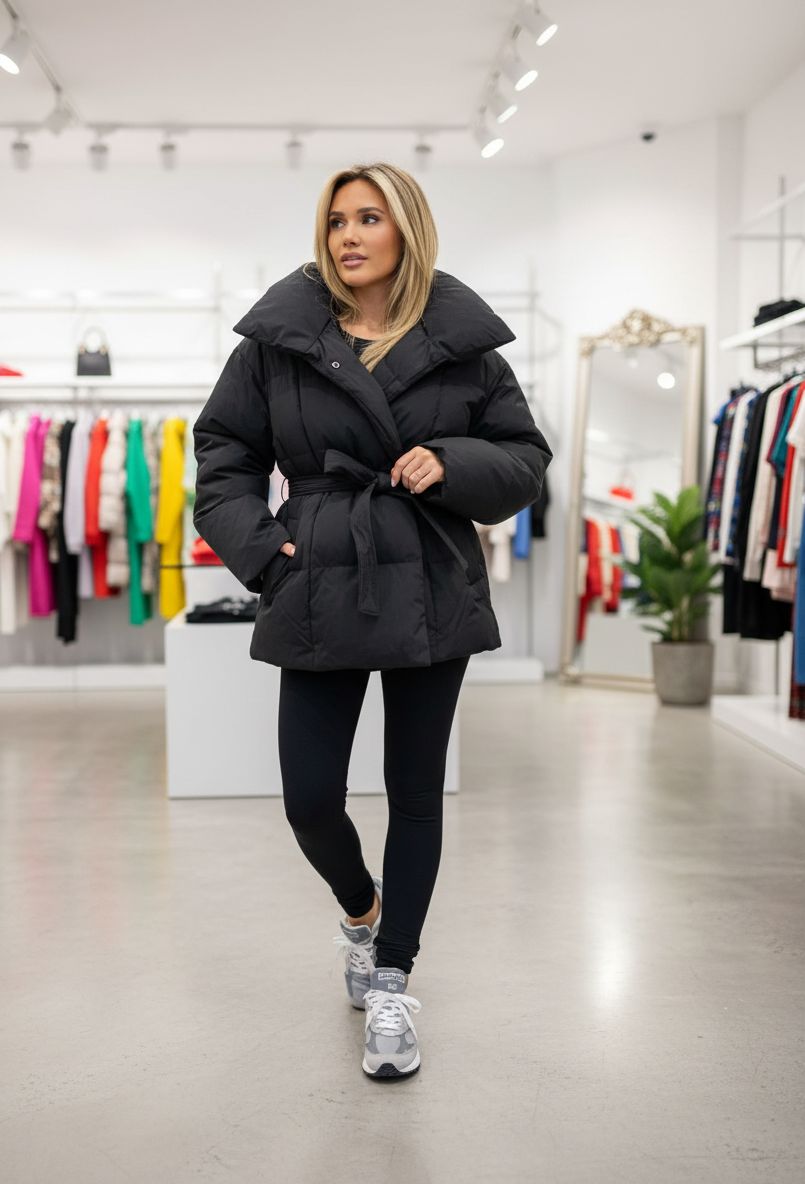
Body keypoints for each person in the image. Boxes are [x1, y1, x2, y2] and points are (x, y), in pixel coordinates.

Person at [193, 162, 551, 1079]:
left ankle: (392, 980)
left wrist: (452, 462)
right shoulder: (278, 341)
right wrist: (268, 553)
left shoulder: (465, 343)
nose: (348, 236)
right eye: (336, 221)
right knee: (310, 799)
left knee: (415, 791)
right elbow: (224, 453)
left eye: (369, 218)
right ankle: (363, 912)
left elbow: (523, 458)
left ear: (407, 230)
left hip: (431, 574)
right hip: (319, 573)